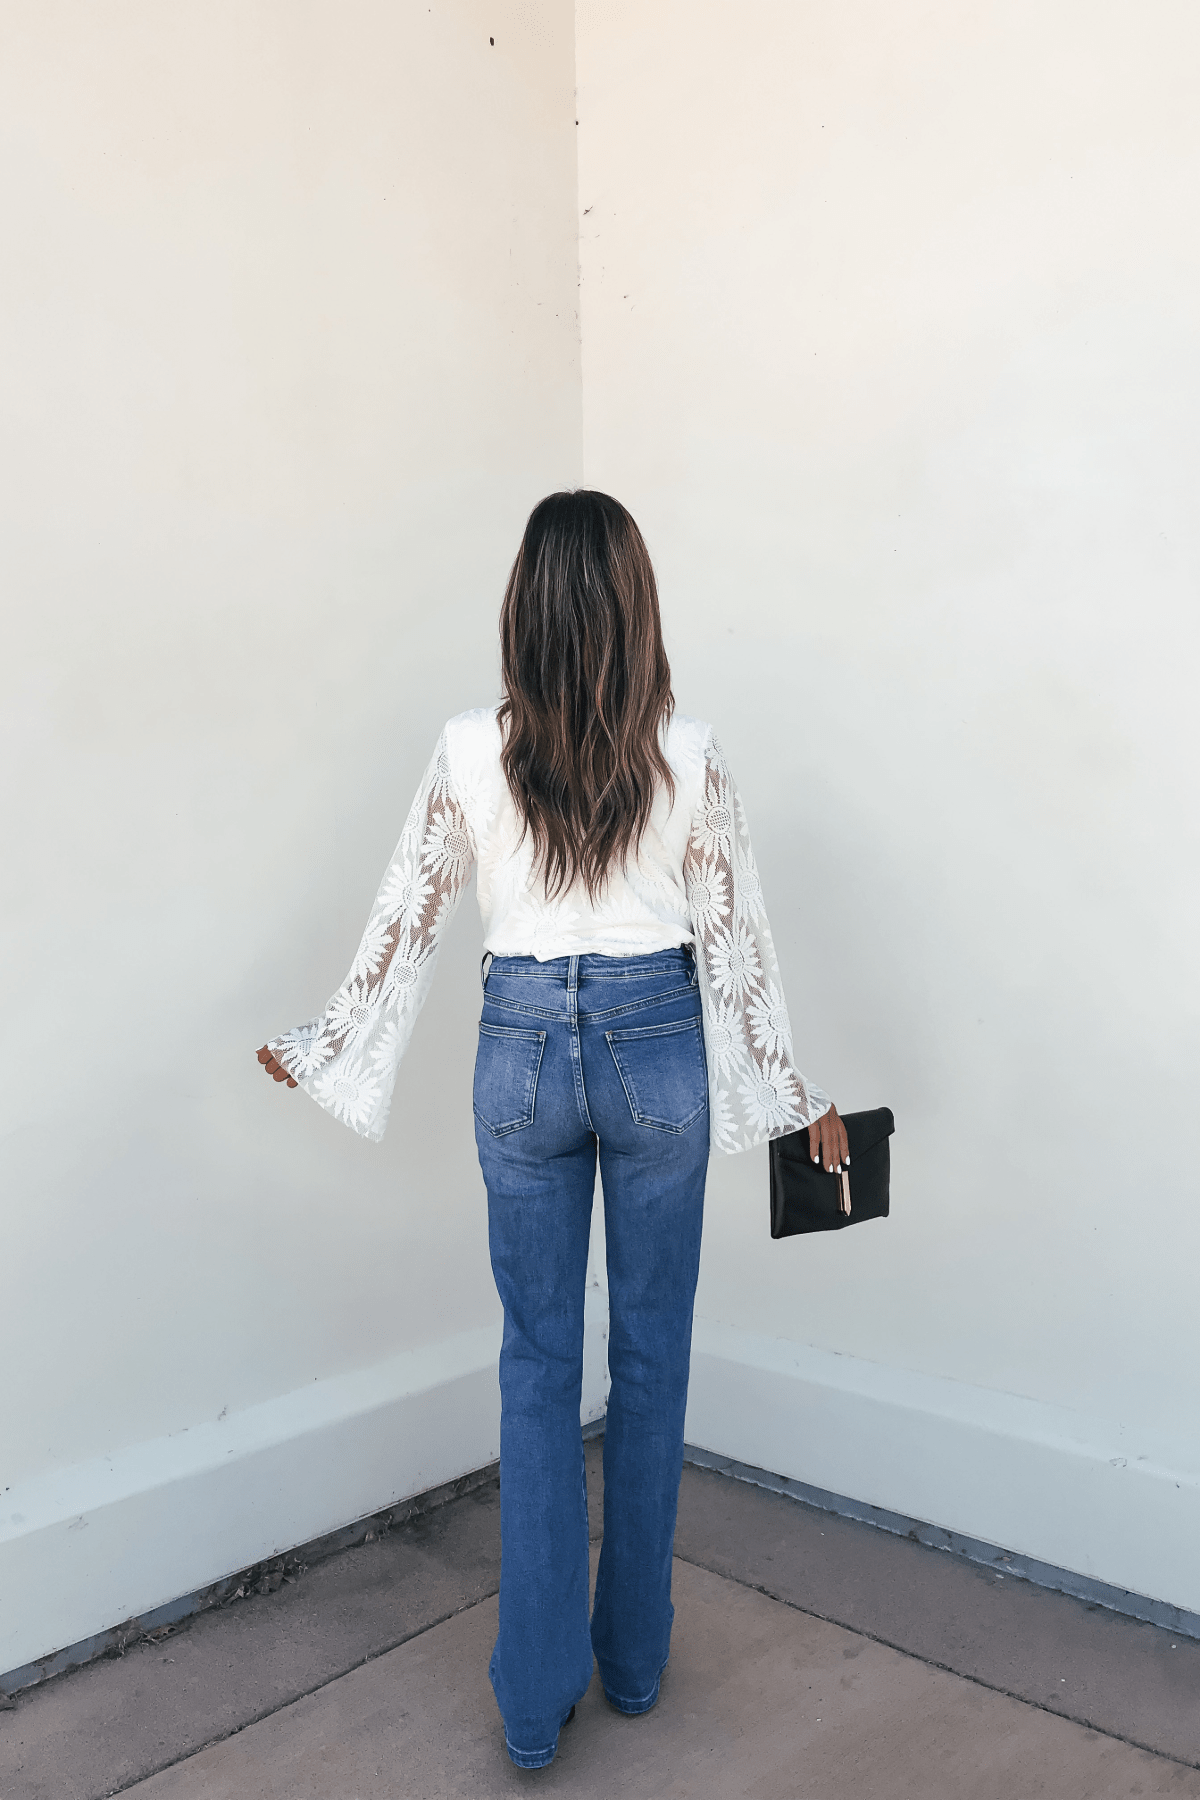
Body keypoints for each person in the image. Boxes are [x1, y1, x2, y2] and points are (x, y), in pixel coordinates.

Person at [257, 490, 846, 1769]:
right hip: (659, 1052)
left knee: (534, 1367)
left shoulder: (472, 746)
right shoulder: (693, 751)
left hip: (518, 1047)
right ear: (637, 603)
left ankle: (533, 1705)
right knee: (652, 1357)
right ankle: (633, 1664)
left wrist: (328, 1042)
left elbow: (405, 922)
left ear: (524, 603)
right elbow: (740, 948)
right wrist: (793, 1097)